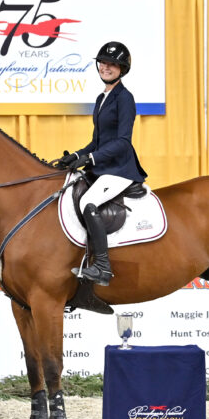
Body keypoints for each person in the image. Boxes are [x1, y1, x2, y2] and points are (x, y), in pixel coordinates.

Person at [58, 41, 148, 286]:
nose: (106, 67)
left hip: (120, 169)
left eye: (112, 64)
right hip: (103, 167)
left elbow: (122, 142)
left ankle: (102, 267)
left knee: (88, 202)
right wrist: (77, 156)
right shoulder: (101, 98)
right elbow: (97, 140)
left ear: (122, 69)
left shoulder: (125, 98)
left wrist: (93, 158)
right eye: (103, 63)